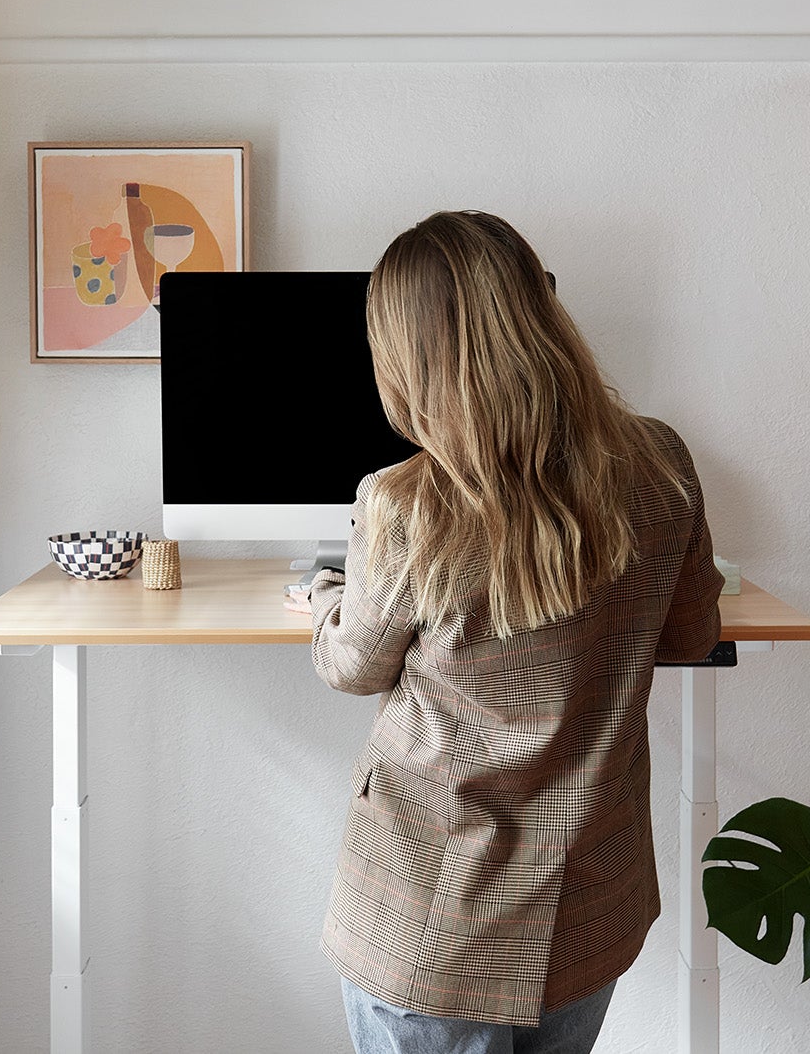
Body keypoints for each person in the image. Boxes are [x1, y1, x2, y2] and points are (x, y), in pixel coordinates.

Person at [286, 211, 724, 1054]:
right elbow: (690, 632)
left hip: (434, 926)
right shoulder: (663, 463)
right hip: (587, 908)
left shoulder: (403, 504)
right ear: (541, 320)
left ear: (407, 358)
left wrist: (324, 595)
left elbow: (354, 664)